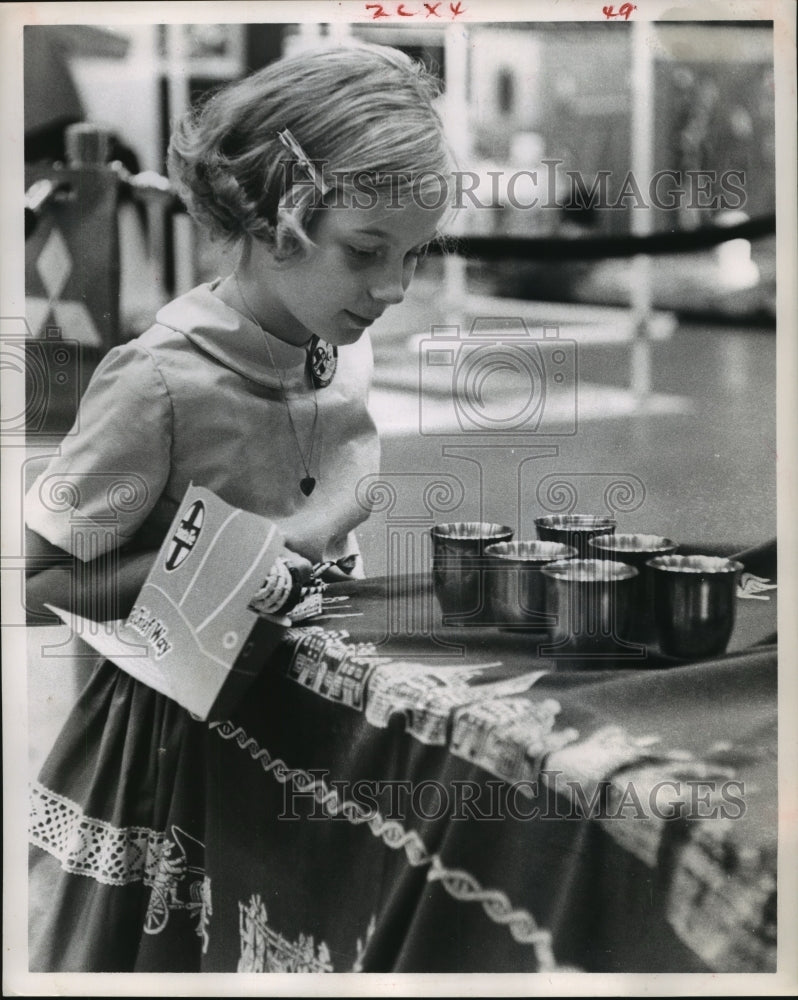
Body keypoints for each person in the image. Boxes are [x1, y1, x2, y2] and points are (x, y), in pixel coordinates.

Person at [25, 43, 453, 971]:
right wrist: (220, 566)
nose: (391, 290)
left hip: (309, 718)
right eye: (366, 252)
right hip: (171, 744)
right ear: (271, 219)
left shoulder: (342, 344)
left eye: (414, 255)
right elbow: (39, 577)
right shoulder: (157, 381)